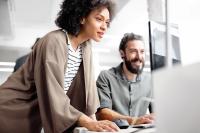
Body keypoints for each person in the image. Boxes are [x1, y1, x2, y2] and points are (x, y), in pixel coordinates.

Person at [0, 0, 119, 132]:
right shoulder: (54, 41)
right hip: (10, 108)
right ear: (82, 17)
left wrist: (95, 125)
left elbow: (89, 93)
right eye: (99, 19)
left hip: (31, 113)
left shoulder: (85, 47)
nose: (104, 27)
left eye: (107, 22)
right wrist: (87, 121)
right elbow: (53, 91)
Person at [96, 33, 154, 125]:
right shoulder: (106, 77)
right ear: (122, 53)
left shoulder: (150, 80)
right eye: (133, 51)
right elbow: (102, 113)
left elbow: (156, 111)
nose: (139, 57)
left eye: (142, 51)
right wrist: (133, 121)